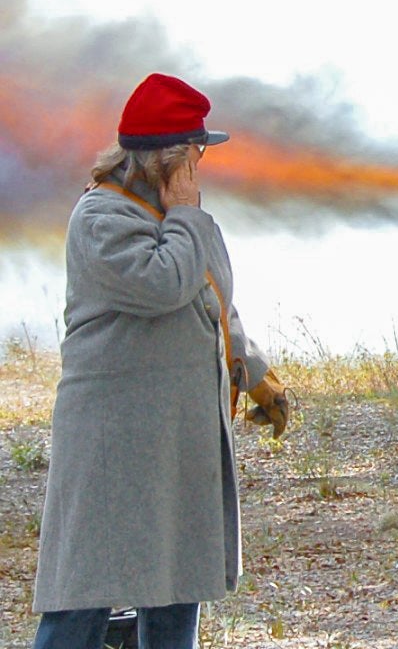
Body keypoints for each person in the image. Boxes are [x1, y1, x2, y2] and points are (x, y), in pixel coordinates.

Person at [31, 73, 290, 649]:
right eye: (195, 152)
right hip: (114, 439)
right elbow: (165, 283)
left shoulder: (183, 219)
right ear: (168, 161)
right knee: (83, 595)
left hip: (176, 433)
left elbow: (213, 299)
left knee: (177, 588)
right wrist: (186, 215)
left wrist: (253, 373)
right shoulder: (102, 218)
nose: (201, 163)